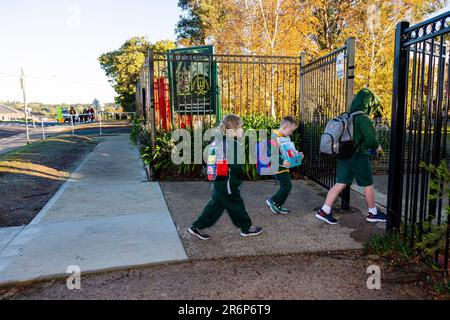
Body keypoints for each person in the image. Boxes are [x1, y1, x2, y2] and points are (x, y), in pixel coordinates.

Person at [315, 88, 387, 225]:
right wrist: (377, 147)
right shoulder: (363, 118)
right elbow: (371, 140)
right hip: (358, 156)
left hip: (344, 154)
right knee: (368, 184)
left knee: (340, 182)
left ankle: (324, 210)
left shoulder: (348, 116)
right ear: (368, 104)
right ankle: (373, 212)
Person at [188, 114, 263, 240]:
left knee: (216, 205)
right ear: (233, 129)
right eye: (240, 127)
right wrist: (239, 176)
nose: (242, 130)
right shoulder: (232, 144)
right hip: (228, 182)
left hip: (218, 180)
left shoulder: (217, 141)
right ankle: (246, 228)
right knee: (236, 203)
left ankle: (196, 226)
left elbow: (206, 156)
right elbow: (235, 166)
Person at [265, 116, 304, 214]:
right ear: (285, 127)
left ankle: (278, 205)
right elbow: (271, 154)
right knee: (287, 186)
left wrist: (297, 155)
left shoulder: (285, 137)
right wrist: (282, 161)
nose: (291, 133)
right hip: (278, 167)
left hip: (285, 166)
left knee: (286, 186)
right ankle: (273, 201)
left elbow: (290, 151)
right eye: (291, 131)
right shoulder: (274, 137)